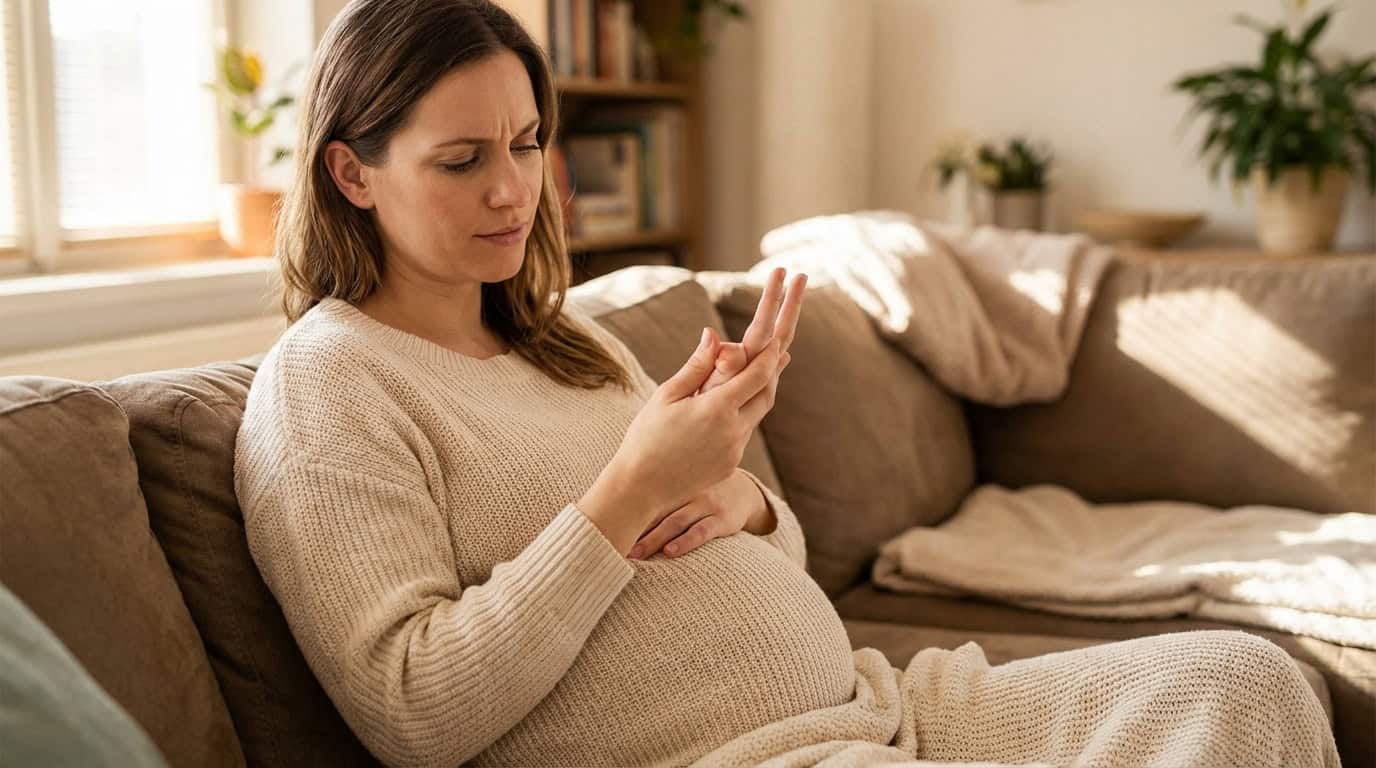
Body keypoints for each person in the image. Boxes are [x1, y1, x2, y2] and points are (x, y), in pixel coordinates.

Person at [234, 1, 1339, 766]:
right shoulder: (331, 387)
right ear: (350, 171)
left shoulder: (564, 342)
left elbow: (773, 558)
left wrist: (738, 499)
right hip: (733, 759)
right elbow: (413, 711)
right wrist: (624, 496)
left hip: (880, 704)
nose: (512, 190)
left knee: (1248, 683)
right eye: (460, 159)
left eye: (526, 145)